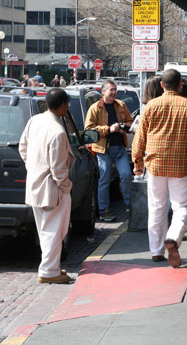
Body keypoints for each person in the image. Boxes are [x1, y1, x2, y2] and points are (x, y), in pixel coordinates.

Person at [132, 69, 187, 267]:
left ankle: (156, 251)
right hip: (181, 163)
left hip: (155, 163)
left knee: (157, 206)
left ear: (161, 85)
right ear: (180, 85)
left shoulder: (151, 106)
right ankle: (173, 238)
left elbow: (140, 137)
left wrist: (137, 162)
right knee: (182, 206)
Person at [19, 88, 74, 283]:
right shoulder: (57, 131)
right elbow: (58, 168)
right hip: (52, 187)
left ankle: (50, 267)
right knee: (53, 230)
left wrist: (33, 166)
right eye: (67, 104)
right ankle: (49, 270)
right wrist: (66, 186)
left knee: (46, 229)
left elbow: (23, 147)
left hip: (36, 183)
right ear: (62, 105)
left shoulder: (36, 121)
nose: (68, 107)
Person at [84, 79, 134, 222]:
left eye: (115, 89)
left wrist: (124, 126)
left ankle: (129, 206)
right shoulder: (95, 108)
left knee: (125, 175)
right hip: (103, 150)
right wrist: (108, 129)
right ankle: (104, 210)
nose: (114, 92)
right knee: (104, 179)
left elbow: (130, 122)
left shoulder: (121, 105)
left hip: (119, 148)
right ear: (103, 91)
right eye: (111, 90)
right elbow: (89, 130)